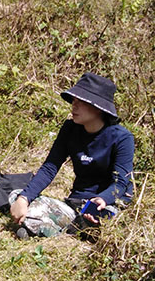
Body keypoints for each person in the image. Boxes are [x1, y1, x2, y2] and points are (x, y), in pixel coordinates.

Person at [9, 72, 134, 238]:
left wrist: (102, 199)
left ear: (98, 108)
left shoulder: (121, 138)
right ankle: (73, 229)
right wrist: (24, 198)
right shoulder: (70, 129)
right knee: (15, 196)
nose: (74, 106)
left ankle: (53, 228)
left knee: (106, 219)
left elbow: (121, 182)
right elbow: (49, 168)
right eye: (73, 100)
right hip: (74, 205)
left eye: (80, 101)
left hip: (104, 206)